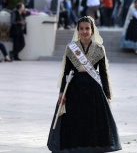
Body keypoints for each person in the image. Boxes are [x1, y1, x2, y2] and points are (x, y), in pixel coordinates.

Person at [47, 16, 122, 153]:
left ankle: (93, 146)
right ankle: (74, 146)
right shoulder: (71, 48)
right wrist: (62, 92)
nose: (84, 31)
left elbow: (104, 73)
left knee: (93, 120)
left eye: (87, 28)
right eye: (81, 29)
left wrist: (107, 94)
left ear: (92, 30)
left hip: (94, 90)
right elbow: (66, 71)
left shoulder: (99, 49)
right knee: (75, 119)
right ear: (78, 30)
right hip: (75, 89)